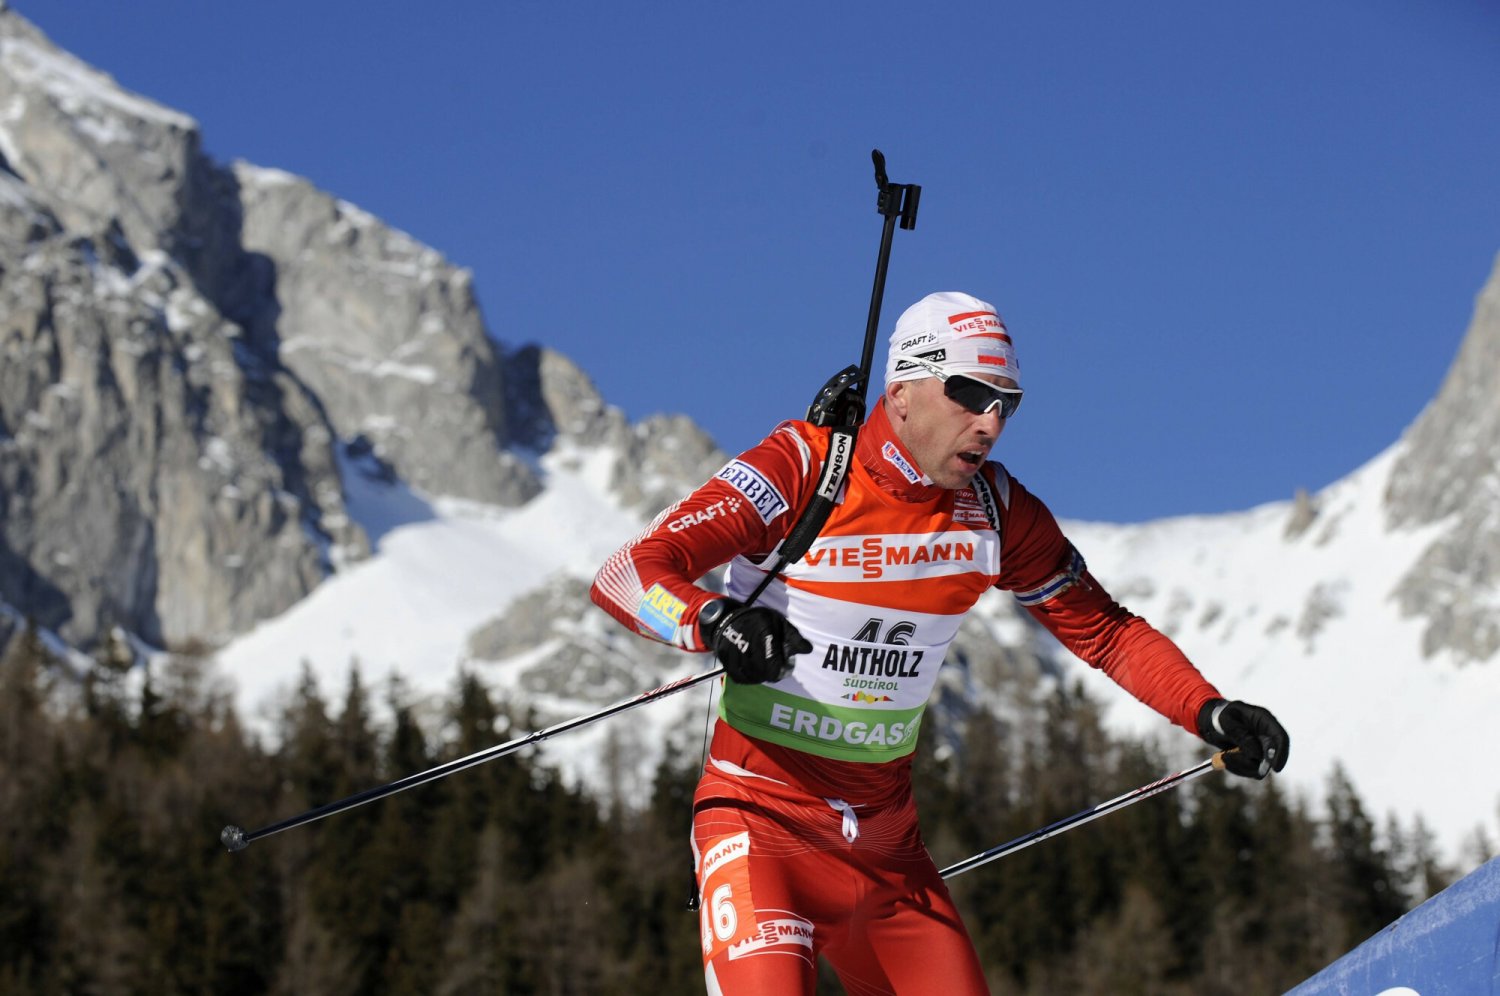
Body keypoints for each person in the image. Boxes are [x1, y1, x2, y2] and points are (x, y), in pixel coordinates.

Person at [589, 291, 1290, 995]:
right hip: (762, 829)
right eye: (969, 394)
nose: (989, 423)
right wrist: (714, 621)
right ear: (901, 392)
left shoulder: (995, 511)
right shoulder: (803, 467)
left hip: (889, 859)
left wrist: (1211, 711)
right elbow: (628, 572)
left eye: (1006, 403)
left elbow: (1105, 631)